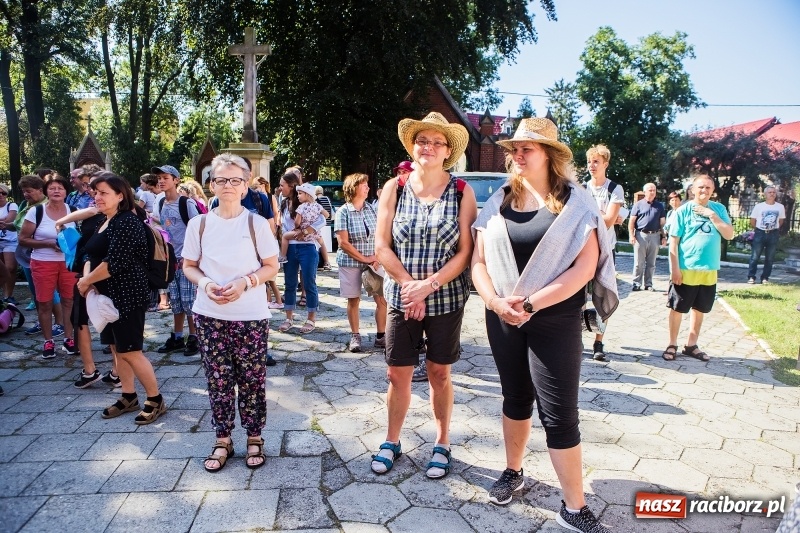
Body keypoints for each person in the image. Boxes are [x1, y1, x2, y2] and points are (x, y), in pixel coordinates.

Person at [471, 117, 617, 531]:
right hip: (502, 316)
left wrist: (531, 303)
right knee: (515, 399)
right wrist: (497, 302)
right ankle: (513, 471)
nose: (516, 155)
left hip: (553, 318)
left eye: (526, 149)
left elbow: (585, 267)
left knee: (559, 413)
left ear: (550, 156)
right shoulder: (497, 200)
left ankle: (573, 505)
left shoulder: (576, 203)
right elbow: (478, 262)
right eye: (513, 148)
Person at [372, 111, 477, 479]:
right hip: (402, 297)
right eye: (422, 140)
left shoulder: (462, 191)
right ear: (412, 146)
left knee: (439, 373)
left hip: (445, 298)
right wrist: (408, 286)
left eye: (436, 142)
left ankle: (442, 441)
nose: (428, 147)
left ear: (448, 150)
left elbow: (466, 251)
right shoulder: (395, 188)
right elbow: (381, 246)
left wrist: (428, 286)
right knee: (397, 373)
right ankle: (392, 440)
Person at [182, 154, 279, 472]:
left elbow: (270, 267)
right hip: (209, 314)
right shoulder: (199, 224)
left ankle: (255, 437)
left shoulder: (256, 224)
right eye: (220, 179)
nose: (227, 185)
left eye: (234, 180)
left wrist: (246, 282)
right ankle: (222, 438)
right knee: (218, 380)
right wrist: (206, 283)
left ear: (246, 184)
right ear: (211, 185)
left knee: (252, 379)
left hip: (250, 314)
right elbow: (189, 267)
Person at [76, 175, 166, 424]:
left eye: (103, 192)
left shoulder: (127, 222)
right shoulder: (105, 221)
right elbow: (88, 253)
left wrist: (86, 282)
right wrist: (88, 280)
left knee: (132, 350)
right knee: (118, 349)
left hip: (127, 295)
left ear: (120, 195)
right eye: (95, 192)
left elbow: (114, 262)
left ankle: (155, 399)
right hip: (106, 296)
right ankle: (128, 396)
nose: (97, 197)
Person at [55, 172, 118, 389]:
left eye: (101, 190)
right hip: (89, 270)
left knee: (108, 320)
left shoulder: (113, 215)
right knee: (81, 320)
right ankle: (94, 369)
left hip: (99, 272)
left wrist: (62, 220)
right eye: (93, 188)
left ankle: (113, 370)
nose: (96, 193)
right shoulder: (101, 211)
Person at [664, 175, 734, 361]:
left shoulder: (719, 209)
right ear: (692, 189)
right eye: (701, 187)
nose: (704, 191)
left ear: (713, 190)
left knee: (700, 308)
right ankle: (672, 344)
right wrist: (674, 269)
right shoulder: (683, 211)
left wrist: (712, 215)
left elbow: (729, 234)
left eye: (708, 188)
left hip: (709, 270)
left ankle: (691, 345)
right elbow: (673, 243)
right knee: (678, 308)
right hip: (686, 268)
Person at [18, 175, 78, 359]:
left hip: (67, 263)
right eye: (52, 188)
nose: (57, 191)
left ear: (66, 191)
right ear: (46, 191)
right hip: (43, 262)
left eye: (60, 188)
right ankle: (48, 341)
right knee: (44, 302)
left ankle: (69, 339)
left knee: (69, 301)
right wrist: (49, 243)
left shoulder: (74, 210)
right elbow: (23, 239)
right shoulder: (36, 212)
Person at [334, 173, 387, 352]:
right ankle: (355, 335)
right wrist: (365, 258)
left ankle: (381, 336)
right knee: (354, 300)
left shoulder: (371, 209)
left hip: (373, 262)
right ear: (353, 188)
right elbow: (343, 243)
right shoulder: (343, 212)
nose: (368, 187)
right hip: (350, 262)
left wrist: (377, 257)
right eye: (364, 184)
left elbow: (381, 234)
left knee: (382, 299)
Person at [153, 164, 201, 356]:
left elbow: (198, 228)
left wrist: (192, 257)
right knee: (176, 301)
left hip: (186, 259)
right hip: (170, 260)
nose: (161, 181)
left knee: (190, 301)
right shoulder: (161, 203)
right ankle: (178, 336)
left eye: (166, 177)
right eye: (159, 178)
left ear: (176, 180)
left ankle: (194, 337)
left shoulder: (186, 203)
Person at [584, 144, 624, 361]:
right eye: (590, 161)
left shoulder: (614, 189)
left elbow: (608, 222)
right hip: (582, 249)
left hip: (605, 250)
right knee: (578, 297)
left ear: (605, 164)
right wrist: (601, 213)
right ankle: (577, 337)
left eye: (596, 161)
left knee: (602, 295)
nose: (592, 165)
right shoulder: (581, 187)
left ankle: (598, 342)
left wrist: (595, 213)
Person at [276, 173, 323, 334]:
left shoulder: (307, 203)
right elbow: (283, 225)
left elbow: (322, 219)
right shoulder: (283, 203)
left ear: (292, 186)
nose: (280, 187)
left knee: (309, 283)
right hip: (290, 246)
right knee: (289, 283)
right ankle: (288, 317)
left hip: (307, 246)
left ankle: (311, 318)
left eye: (283, 185)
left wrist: (307, 230)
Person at [251, 176, 283, 310]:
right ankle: (269, 300)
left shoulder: (269, 197)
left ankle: (272, 300)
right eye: (255, 185)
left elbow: (275, 214)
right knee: (268, 279)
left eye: (259, 185)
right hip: (256, 237)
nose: (257, 187)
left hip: (268, 235)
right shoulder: (253, 197)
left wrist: (274, 230)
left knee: (269, 277)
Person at [628, 182, 665, 291]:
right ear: (645, 192)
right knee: (638, 262)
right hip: (641, 235)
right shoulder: (638, 205)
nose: (653, 192)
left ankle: (648, 284)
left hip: (655, 236)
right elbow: (632, 221)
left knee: (651, 263)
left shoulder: (659, 206)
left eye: (654, 190)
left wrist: (664, 236)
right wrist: (631, 235)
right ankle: (636, 283)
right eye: (650, 190)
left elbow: (662, 223)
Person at [747, 185, 785, 284]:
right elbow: (753, 221)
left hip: (773, 234)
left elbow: (780, 221)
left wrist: (773, 229)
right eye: (770, 192)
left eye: (774, 192)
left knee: (770, 258)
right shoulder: (759, 206)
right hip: (760, 232)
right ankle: (751, 277)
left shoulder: (780, 207)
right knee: (755, 256)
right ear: (765, 194)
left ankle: (765, 278)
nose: (772, 194)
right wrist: (760, 229)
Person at [279, 183, 325, 263]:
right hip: (314, 234)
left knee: (285, 236)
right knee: (322, 243)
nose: (298, 195)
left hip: (301, 233)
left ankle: (283, 256)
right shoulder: (317, 206)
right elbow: (326, 215)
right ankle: (326, 261)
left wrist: (297, 228)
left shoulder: (302, 207)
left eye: (300, 193)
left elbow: (297, 222)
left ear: (307, 195)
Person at [0, 184, 19, 302]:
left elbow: (9, 220)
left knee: (10, 268)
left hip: (10, 241)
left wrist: (4, 222)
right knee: (1, 270)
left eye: (3, 193)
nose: (1, 195)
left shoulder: (11, 205)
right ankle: (4, 295)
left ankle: (9, 295)